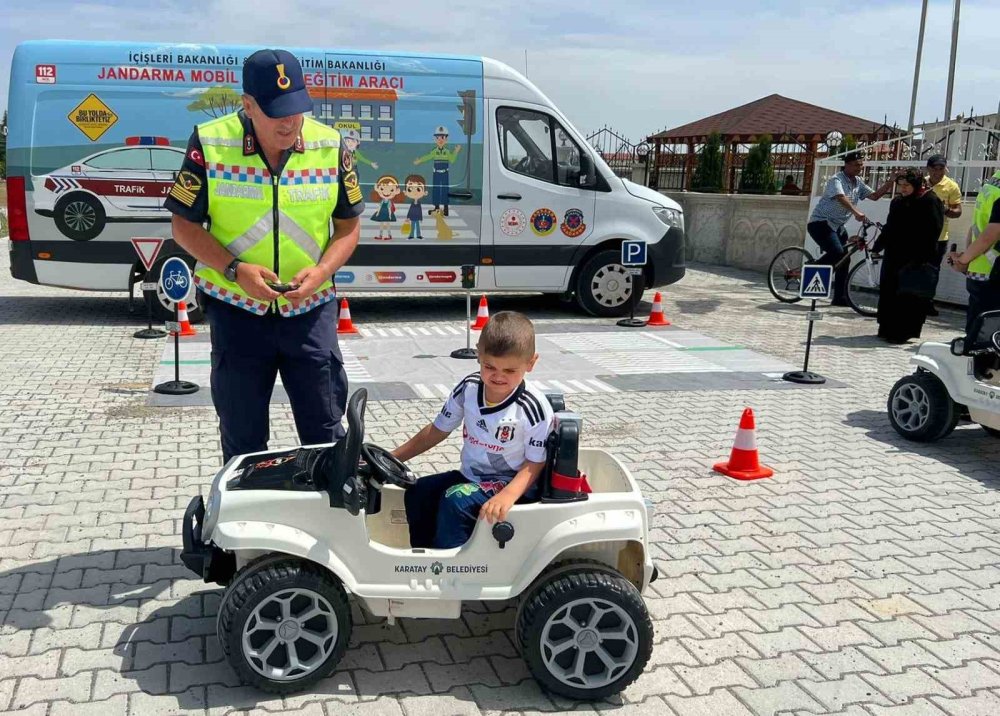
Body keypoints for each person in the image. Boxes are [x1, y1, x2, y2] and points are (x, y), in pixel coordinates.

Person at [164, 49, 364, 463]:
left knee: (326, 433)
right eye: (276, 113)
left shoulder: (331, 145)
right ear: (249, 105)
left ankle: (328, 502)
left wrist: (323, 270)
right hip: (237, 311)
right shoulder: (211, 142)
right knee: (243, 438)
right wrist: (234, 270)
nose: (289, 122)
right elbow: (183, 226)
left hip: (309, 310)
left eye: (297, 110)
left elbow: (348, 228)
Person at [393, 312, 554, 549]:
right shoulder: (468, 388)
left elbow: (535, 463)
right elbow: (437, 430)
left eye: (509, 371)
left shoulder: (532, 407)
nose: (498, 376)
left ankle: (455, 568)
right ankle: (425, 557)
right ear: (478, 354)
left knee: (455, 501)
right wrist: (393, 458)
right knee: (419, 491)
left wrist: (508, 496)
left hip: (511, 483)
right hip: (472, 478)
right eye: (489, 366)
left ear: (530, 363)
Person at [807, 152, 895, 305]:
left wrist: (891, 181)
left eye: (861, 165)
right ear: (846, 165)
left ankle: (839, 298)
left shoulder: (858, 182)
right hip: (821, 223)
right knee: (837, 252)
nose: (859, 168)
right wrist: (856, 212)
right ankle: (811, 270)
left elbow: (875, 196)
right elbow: (840, 197)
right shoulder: (836, 179)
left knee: (844, 259)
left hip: (838, 226)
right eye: (856, 165)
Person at [874, 171, 944, 344]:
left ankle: (902, 332)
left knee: (909, 294)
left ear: (916, 185)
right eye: (900, 185)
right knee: (890, 290)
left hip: (915, 257)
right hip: (894, 254)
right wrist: (878, 245)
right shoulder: (898, 202)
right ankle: (887, 328)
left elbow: (934, 230)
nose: (903, 189)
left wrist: (923, 257)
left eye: (907, 185)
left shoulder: (929, 200)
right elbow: (890, 226)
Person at [949, 169, 1000, 340]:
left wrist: (965, 259)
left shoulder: (993, 181)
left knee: (978, 329)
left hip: (980, 266)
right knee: (987, 334)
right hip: (992, 270)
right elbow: (990, 233)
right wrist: (964, 259)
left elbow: (978, 226)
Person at [926, 155, 963, 316]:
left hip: (939, 237)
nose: (938, 172)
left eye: (941, 169)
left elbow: (958, 211)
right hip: (917, 236)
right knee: (914, 268)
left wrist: (945, 210)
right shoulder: (921, 183)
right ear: (928, 169)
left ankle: (928, 302)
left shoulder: (951, 186)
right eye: (934, 169)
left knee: (933, 270)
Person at [413, 125, 462, 216]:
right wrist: (419, 161)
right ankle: (436, 207)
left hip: (445, 173)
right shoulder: (434, 151)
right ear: (435, 139)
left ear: (446, 139)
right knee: (436, 189)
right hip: (436, 173)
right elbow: (428, 157)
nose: (440, 140)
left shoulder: (447, 152)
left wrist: (456, 151)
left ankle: (446, 207)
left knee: (445, 190)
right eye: (438, 138)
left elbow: (452, 160)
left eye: (442, 137)